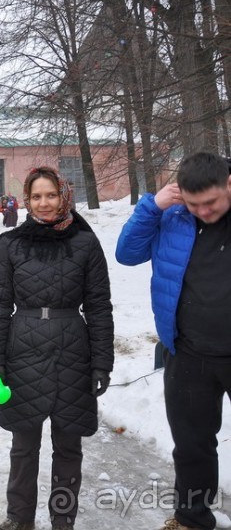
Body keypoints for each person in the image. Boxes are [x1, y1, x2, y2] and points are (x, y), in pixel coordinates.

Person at [0, 166, 114, 530]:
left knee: (69, 448)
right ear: (27, 200)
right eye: (37, 196)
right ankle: (19, 519)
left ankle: (63, 521)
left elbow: (99, 306)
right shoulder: (11, 244)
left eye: (51, 195)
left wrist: (102, 362)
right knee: (24, 448)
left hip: (73, 350)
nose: (44, 203)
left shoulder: (85, 243)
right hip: (22, 348)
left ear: (64, 196)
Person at [116, 151, 231, 530]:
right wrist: (152, 206)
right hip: (188, 351)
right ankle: (191, 519)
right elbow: (127, 254)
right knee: (192, 445)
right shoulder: (174, 216)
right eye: (194, 203)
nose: (203, 211)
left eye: (211, 202)